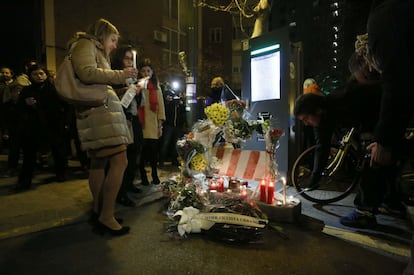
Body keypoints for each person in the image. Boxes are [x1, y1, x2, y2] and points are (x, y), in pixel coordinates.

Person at [294, 79, 403, 228]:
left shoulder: (343, 99)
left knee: (370, 157)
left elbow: (374, 109)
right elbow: (322, 147)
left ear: (318, 110)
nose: (306, 123)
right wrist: (315, 177)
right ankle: (392, 201)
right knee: (383, 161)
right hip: (371, 120)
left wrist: (377, 138)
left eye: (306, 118)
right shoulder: (321, 121)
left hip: (388, 111)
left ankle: (365, 213)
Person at [67, 18, 137, 236]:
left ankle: (99, 210)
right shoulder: (86, 44)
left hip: (100, 114)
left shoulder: (90, 48)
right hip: (100, 115)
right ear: (102, 35)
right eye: (113, 39)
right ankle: (107, 215)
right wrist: (120, 75)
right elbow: (87, 73)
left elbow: (97, 83)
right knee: (120, 160)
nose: (114, 45)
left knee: (98, 163)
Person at [15, 64, 70, 190]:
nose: (39, 76)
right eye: (35, 74)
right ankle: (25, 180)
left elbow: (66, 106)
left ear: (46, 75)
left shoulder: (54, 89)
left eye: (41, 73)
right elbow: (18, 108)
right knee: (29, 155)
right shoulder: (27, 90)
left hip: (53, 125)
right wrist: (26, 103)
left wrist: (65, 122)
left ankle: (61, 173)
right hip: (33, 127)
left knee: (58, 151)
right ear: (30, 76)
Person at [110, 45, 144, 207]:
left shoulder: (133, 77)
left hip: (133, 118)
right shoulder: (115, 75)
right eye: (127, 58)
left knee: (135, 152)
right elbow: (114, 98)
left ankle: (129, 183)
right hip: (121, 119)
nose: (130, 61)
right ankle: (120, 192)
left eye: (132, 58)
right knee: (122, 157)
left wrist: (137, 88)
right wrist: (128, 90)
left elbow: (136, 102)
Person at [137, 58, 165, 185]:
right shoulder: (138, 86)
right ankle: (143, 175)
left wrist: (160, 125)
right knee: (142, 153)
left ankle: (154, 175)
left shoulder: (156, 87)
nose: (146, 73)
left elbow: (161, 106)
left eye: (148, 70)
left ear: (152, 72)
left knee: (154, 153)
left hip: (153, 125)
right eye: (143, 71)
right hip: (141, 124)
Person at [159, 83, 186, 167]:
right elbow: (165, 108)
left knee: (176, 144)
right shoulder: (167, 96)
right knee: (165, 143)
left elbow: (183, 112)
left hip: (177, 125)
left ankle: (174, 160)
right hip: (169, 125)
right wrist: (169, 101)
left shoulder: (180, 101)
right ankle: (161, 160)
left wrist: (181, 102)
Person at [0, 84, 23, 177]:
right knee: (14, 150)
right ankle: (12, 168)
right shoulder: (6, 105)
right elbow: (3, 120)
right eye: (15, 92)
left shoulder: (25, 104)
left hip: (25, 130)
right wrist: (5, 132)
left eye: (19, 92)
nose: (17, 94)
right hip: (13, 131)